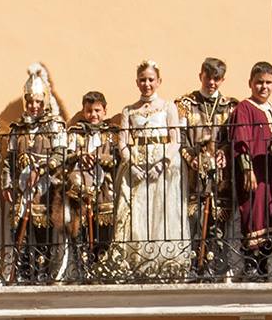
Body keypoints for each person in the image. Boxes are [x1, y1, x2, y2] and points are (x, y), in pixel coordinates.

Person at [105, 61, 189, 280]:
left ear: (158, 81)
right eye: (143, 79)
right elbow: (122, 142)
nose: (147, 83)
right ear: (136, 82)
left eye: (151, 79)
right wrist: (131, 165)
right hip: (137, 165)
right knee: (137, 212)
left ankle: (163, 263)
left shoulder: (168, 106)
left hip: (162, 167)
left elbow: (176, 140)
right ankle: (138, 262)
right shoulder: (129, 110)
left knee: (161, 210)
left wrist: (162, 163)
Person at [7, 65, 68, 284]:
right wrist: (7, 183)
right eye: (30, 101)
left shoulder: (55, 125)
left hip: (46, 187)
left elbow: (61, 154)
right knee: (19, 229)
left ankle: (43, 270)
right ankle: (23, 271)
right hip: (22, 188)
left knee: (42, 230)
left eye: (38, 102)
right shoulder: (18, 128)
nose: (34, 106)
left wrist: (43, 169)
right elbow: (10, 159)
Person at [226, 65, 272, 281]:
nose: (264, 87)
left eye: (268, 82)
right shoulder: (244, 108)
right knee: (253, 212)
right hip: (254, 172)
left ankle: (265, 262)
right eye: (259, 82)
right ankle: (251, 261)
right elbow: (241, 140)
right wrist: (247, 169)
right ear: (251, 83)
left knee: (270, 212)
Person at [177, 57, 234, 278]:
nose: (212, 82)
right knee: (195, 221)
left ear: (222, 80)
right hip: (194, 174)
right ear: (200, 75)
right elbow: (180, 137)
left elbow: (231, 138)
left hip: (220, 177)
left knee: (218, 223)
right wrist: (190, 157)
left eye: (216, 78)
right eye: (208, 77)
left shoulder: (230, 106)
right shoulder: (186, 104)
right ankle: (194, 266)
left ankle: (216, 267)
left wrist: (224, 152)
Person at [64, 90, 120, 277]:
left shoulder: (112, 134)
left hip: (106, 190)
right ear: (83, 111)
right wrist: (81, 155)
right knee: (81, 230)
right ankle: (83, 268)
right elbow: (66, 156)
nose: (93, 115)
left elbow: (117, 159)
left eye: (97, 110)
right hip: (80, 191)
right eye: (89, 111)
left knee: (104, 230)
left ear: (104, 110)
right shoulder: (76, 132)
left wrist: (98, 158)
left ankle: (101, 267)